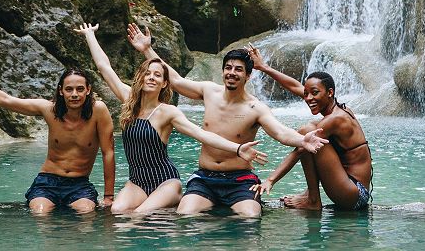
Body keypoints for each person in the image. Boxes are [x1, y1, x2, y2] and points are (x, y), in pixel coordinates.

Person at [127, 23, 329, 217]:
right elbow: (176, 80)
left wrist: (302, 140)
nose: (232, 73)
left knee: (250, 216)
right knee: (185, 214)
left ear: (248, 76)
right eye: (228, 68)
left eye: (238, 69)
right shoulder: (208, 91)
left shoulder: (255, 107)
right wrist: (147, 50)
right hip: (205, 178)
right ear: (223, 70)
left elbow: (280, 131)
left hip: (240, 180)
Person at [76, 23, 269, 214]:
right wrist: (89, 34)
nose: (151, 78)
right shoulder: (128, 100)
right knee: (117, 212)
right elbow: (104, 67)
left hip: (165, 182)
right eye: (147, 74)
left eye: (157, 75)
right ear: (140, 78)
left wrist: (236, 148)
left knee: (138, 216)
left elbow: (201, 134)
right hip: (137, 182)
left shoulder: (168, 112)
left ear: (164, 83)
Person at [0, 64, 115, 214]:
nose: (74, 94)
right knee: (40, 212)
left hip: (79, 184)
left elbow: (108, 153)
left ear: (88, 90)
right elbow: (6, 100)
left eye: (79, 89)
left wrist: (108, 196)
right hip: (48, 182)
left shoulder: (98, 111)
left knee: (86, 212)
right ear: (61, 91)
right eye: (69, 89)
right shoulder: (49, 110)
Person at [247, 45, 373, 211]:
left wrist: (270, 180)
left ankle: (313, 199)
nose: (308, 98)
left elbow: (301, 149)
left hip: (355, 194)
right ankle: (310, 195)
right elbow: (294, 86)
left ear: (329, 92)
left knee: (307, 132)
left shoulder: (336, 119)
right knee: (310, 130)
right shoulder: (334, 105)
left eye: (314, 93)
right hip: (350, 188)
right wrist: (264, 67)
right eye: (306, 93)